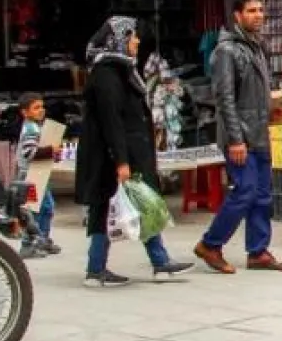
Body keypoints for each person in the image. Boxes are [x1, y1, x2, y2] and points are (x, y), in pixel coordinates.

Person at [75, 17, 194, 287]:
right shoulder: (105, 76)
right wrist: (121, 161)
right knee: (106, 211)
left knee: (140, 204)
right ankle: (96, 269)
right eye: (131, 36)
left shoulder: (121, 70)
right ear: (116, 40)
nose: (137, 41)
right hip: (111, 158)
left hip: (125, 154)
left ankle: (160, 262)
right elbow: (111, 121)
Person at [195, 0, 282, 274]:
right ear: (237, 15)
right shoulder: (226, 50)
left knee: (263, 195)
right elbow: (224, 98)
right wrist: (236, 139)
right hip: (242, 137)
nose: (258, 15)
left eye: (261, 10)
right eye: (251, 11)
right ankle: (211, 244)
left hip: (260, 133)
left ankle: (258, 251)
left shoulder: (256, 46)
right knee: (245, 192)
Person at [13, 93, 61, 258]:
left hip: (38, 173)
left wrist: (52, 152)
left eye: (42, 106)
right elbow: (29, 153)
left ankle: (43, 240)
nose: (41, 110)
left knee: (46, 208)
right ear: (25, 112)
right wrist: (50, 150)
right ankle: (28, 244)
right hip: (30, 175)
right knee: (35, 211)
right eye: (36, 107)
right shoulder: (30, 129)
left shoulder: (36, 127)